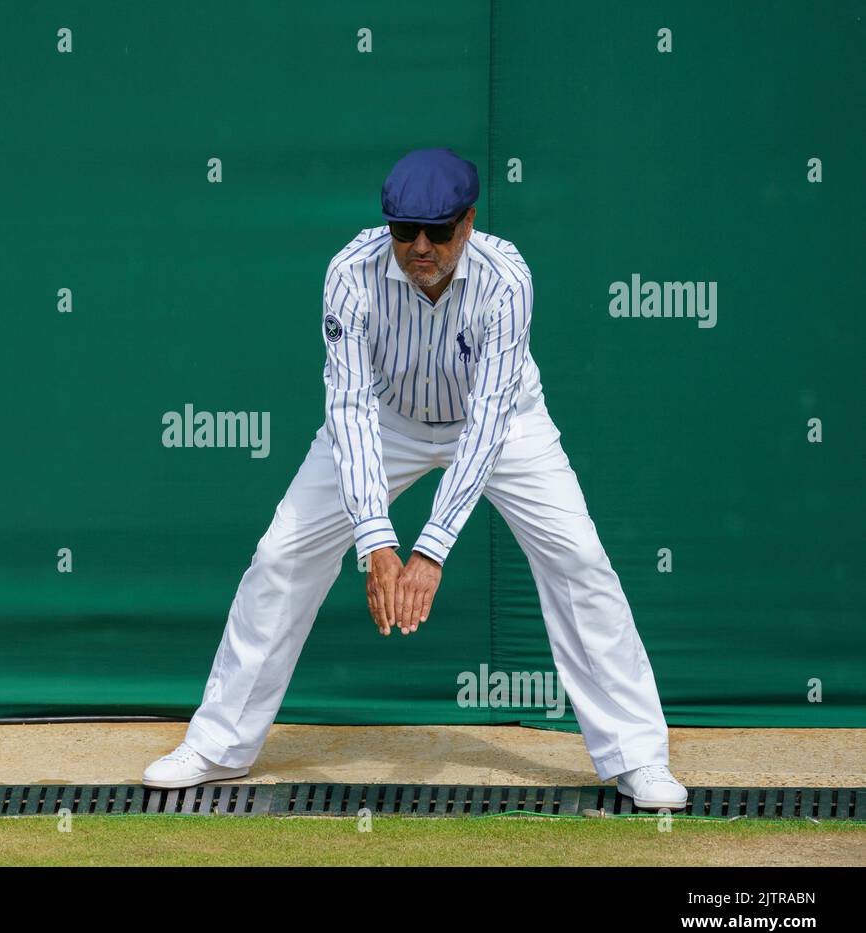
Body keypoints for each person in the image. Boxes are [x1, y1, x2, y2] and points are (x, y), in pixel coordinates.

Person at [142, 147, 687, 811]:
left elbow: (487, 422)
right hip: (384, 419)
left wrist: (428, 549)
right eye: (405, 231)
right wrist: (376, 543)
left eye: (437, 230)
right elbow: (346, 409)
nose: (419, 246)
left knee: (580, 560)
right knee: (281, 555)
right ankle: (220, 745)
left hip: (502, 422)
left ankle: (637, 757)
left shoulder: (506, 280)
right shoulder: (349, 273)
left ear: (469, 222)